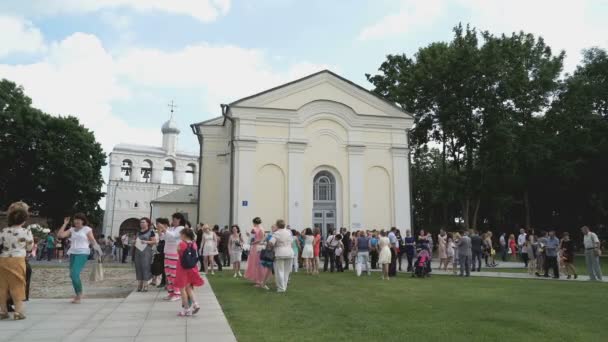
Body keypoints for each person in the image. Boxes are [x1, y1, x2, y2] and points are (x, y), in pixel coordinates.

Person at [57, 213, 102, 304]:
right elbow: (60, 235)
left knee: (74, 274)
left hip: (83, 253)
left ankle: (79, 295)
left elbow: (92, 240)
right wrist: (65, 224)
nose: (77, 221)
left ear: (83, 221)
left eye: (79, 219)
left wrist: (99, 251)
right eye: (75, 219)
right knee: (72, 275)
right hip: (73, 253)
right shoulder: (72, 229)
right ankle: (78, 294)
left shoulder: (87, 229)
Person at [0, 202, 34, 320]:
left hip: (3, 260)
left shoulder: (3, 231)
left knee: (2, 286)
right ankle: (18, 312)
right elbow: (29, 248)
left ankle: (3, 312)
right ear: (24, 220)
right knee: (17, 285)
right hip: (18, 260)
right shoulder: (26, 232)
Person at [174, 228, 204, 316]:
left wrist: (178, 250)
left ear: (184, 235)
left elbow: (178, 253)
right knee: (189, 287)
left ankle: (186, 309)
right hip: (192, 267)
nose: (180, 236)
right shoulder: (193, 244)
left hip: (182, 268)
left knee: (182, 288)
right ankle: (195, 304)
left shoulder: (181, 244)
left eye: (180, 234)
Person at [158, 213, 185, 301]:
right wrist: (160, 231)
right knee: (168, 274)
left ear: (179, 219)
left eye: (174, 219)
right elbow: (163, 238)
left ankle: (177, 293)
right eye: (172, 219)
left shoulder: (181, 228)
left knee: (174, 274)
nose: (172, 221)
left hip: (175, 253)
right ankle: (171, 292)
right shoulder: (171, 228)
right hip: (167, 252)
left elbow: (173, 236)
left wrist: (164, 229)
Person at [269, 220, 294, 293]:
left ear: (277, 225)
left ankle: (281, 288)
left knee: (279, 271)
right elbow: (292, 242)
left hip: (280, 253)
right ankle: (284, 287)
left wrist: (271, 247)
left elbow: (271, 243)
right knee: (286, 271)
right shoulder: (289, 232)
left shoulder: (276, 233)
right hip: (289, 253)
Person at [134, 218, 157, 292]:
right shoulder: (138, 232)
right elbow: (135, 240)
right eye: (141, 222)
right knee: (138, 267)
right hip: (138, 251)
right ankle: (139, 284)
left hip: (146, 251)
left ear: (148, 223)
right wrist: (134, 241)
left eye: (143, 222)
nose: (142, 223)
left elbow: (154, 241)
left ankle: (146, 284)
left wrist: (146, 241)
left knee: (146, 267)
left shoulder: (151, 231)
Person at [245, 217, 266, 287]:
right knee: (257, 263)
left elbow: (256, 239)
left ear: (254, 223)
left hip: (256, 247)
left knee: (256, 263)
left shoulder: (255, 229)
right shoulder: (262, 229)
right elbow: (258, 238)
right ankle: (259, 279)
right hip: (258, 247)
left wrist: (252, 242)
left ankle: (258, 281)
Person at [152, 218, 167, 287]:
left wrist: (160, 231)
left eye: (158, 224)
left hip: (166, 252)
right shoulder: (158, 231)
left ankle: (165, 282)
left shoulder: (167, 231)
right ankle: (162, 281)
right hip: (160, 252)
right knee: (161, 266)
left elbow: (162, 238)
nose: (157, 225)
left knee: (165, 267)